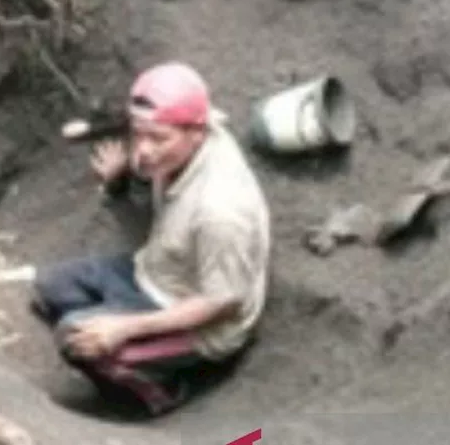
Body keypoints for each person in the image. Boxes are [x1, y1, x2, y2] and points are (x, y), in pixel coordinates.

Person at [31, 61, 271, 416]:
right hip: (156, 271)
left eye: (157, 139)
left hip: (202, 318)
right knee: (50, 286)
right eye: (137, 134)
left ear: (197, 133)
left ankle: (161, 391)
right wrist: (119, 175)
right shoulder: (189, 129)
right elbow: (148, 132)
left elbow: (224, 301)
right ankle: (113, 331)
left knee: (74, 338)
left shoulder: (221, 210)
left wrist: (125, 328)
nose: (143, 151)